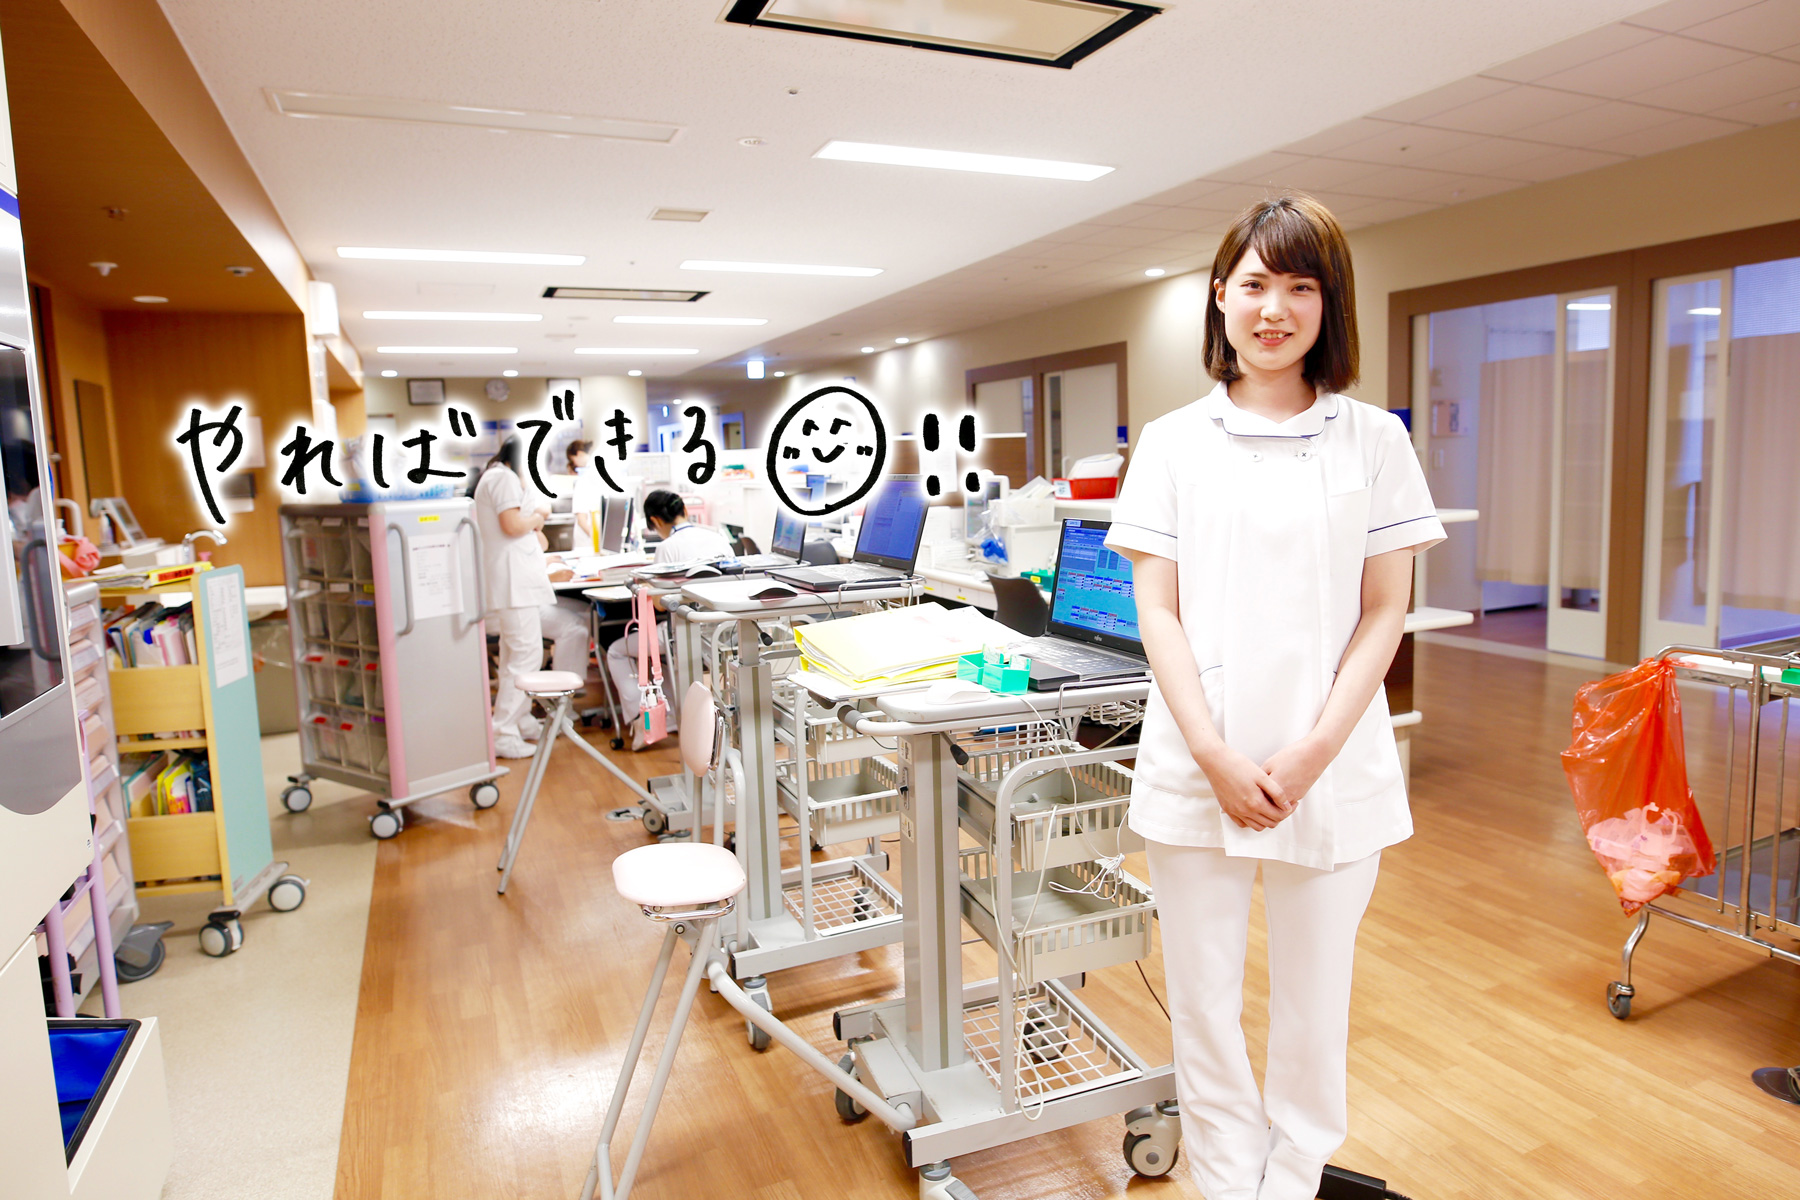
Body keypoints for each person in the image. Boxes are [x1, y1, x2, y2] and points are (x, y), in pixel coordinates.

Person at [1103, 193, 1444, 1200]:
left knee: (1313, 1007)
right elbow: (1157, 611)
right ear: (1221, 297)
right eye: (1255, 284)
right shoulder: (1172, 441)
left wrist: (1312, 752)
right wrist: (1213, 753)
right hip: (1196, 761)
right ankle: (1224, 1184)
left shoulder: (1372, 440)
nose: (1274, 309)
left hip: (1328, 767)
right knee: (1203, 1004)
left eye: (1302, 287)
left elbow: (1385, 611)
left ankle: (1291, 1181)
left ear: (1329, 305)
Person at [473, 435, 589, 758]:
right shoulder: (503, 479)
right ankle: (504, 731)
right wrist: (539, 516)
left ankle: (520, 721)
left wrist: (535, 519)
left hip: (514, 583)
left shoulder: (497, 477)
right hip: (514, 585)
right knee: (525, 656)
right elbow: (512, 526)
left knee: (515, 656)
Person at [605, 489, 732, 749]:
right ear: (684, 510)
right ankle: (673, 715)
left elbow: (658, 603)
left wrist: (645, 585)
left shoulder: (666, 547)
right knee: (665, 653)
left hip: (685, 632)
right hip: (725, 631)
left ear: (655, 521)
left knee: (617, 651)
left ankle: (642, 718)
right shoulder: (718, 538)